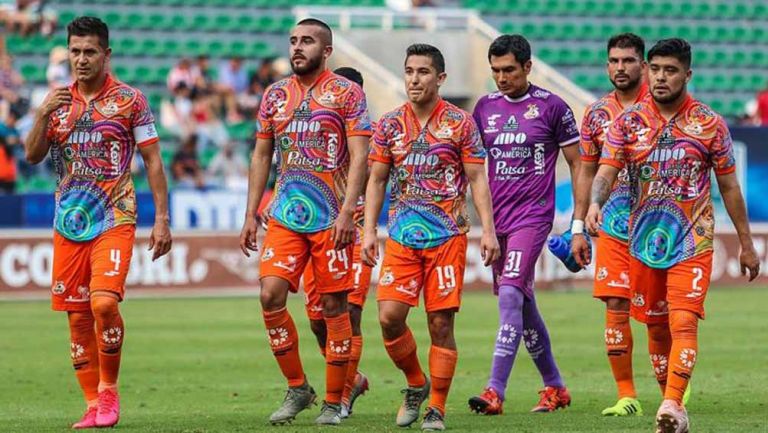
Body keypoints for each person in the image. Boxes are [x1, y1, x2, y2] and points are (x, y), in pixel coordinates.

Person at [586, 38, 760, 433]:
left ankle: (671, 403)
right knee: (656, 325)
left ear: (687, 74)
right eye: (656, 69)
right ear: (647, 70)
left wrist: (747, 245)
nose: (662, 77)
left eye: (671, 70)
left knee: (683, 321)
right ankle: (673, 402)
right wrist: (595, 204)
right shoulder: (627, 124)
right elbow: (606, 170)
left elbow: (730, 188)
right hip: (642, 242)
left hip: (691, 240)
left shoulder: (709, 124)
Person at [22, 16, 172, 429]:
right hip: (69, 222)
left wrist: (162, 219)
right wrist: (40, 115)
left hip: (115, 215)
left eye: (90, 52)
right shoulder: (56, 102)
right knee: (76, 317)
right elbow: (32, 155)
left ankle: (109, 393)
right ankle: (92, 404)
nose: (81, 59)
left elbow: (153, 160)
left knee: (103, 303)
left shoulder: (130, 100)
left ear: (106, 54)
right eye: (75, 51)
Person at [238, 18, 372, 426]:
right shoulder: (275, 95)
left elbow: (361, 155)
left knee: (333, 309)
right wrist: (249, 214)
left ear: (326, 50)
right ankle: (299, 386)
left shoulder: (347, 94)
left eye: (308, 41)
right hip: (285, 215)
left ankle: (335, 401)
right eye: (293, 40)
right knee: (270, 295)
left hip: (332, 218)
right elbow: (262, 155)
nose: (298, 47)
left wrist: (349, 211)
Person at [362, 43, 500, 431]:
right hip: (403, 238)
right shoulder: (389, 124)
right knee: (389, 318)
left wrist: (487, 230)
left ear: (440, 78)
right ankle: (415, 383)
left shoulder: (460, 123)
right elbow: (376, 180)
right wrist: (370, 231)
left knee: (440, 325)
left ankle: (436, 407)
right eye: (409, 71)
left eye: (423, 72)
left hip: (447, 238)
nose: (414, 79)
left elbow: (476, 179)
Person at [467, 34, 580, 415]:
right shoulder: (483, 108)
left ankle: (494, 390)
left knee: (511, 296)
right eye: (496, 70)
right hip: (496, 219)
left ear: (528, 67)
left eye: (509, 70)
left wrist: (577, 222)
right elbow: (471, 166)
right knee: (524, 305)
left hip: (532, 218)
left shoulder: (552, 107)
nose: (501, 77)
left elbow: (578, 164)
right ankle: (556, 387)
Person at [572, 33, 666, 417]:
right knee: (615, 303)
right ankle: (626, 394)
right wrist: (579, 224)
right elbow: (586, 171)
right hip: (611, 224)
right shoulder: (596, 114)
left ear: (643, 66)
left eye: (628, 61)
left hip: (658, 227)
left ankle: (671, 390)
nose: (620, 68)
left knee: (657, 314)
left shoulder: (662, 107)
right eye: (613, 61)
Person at [296, 65, 372, 419]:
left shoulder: (370, 137)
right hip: (319, 232)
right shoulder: (312, 133)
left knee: (350, 312)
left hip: (354, 233)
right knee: (317, 320)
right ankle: (350, 378)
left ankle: (338, 397)